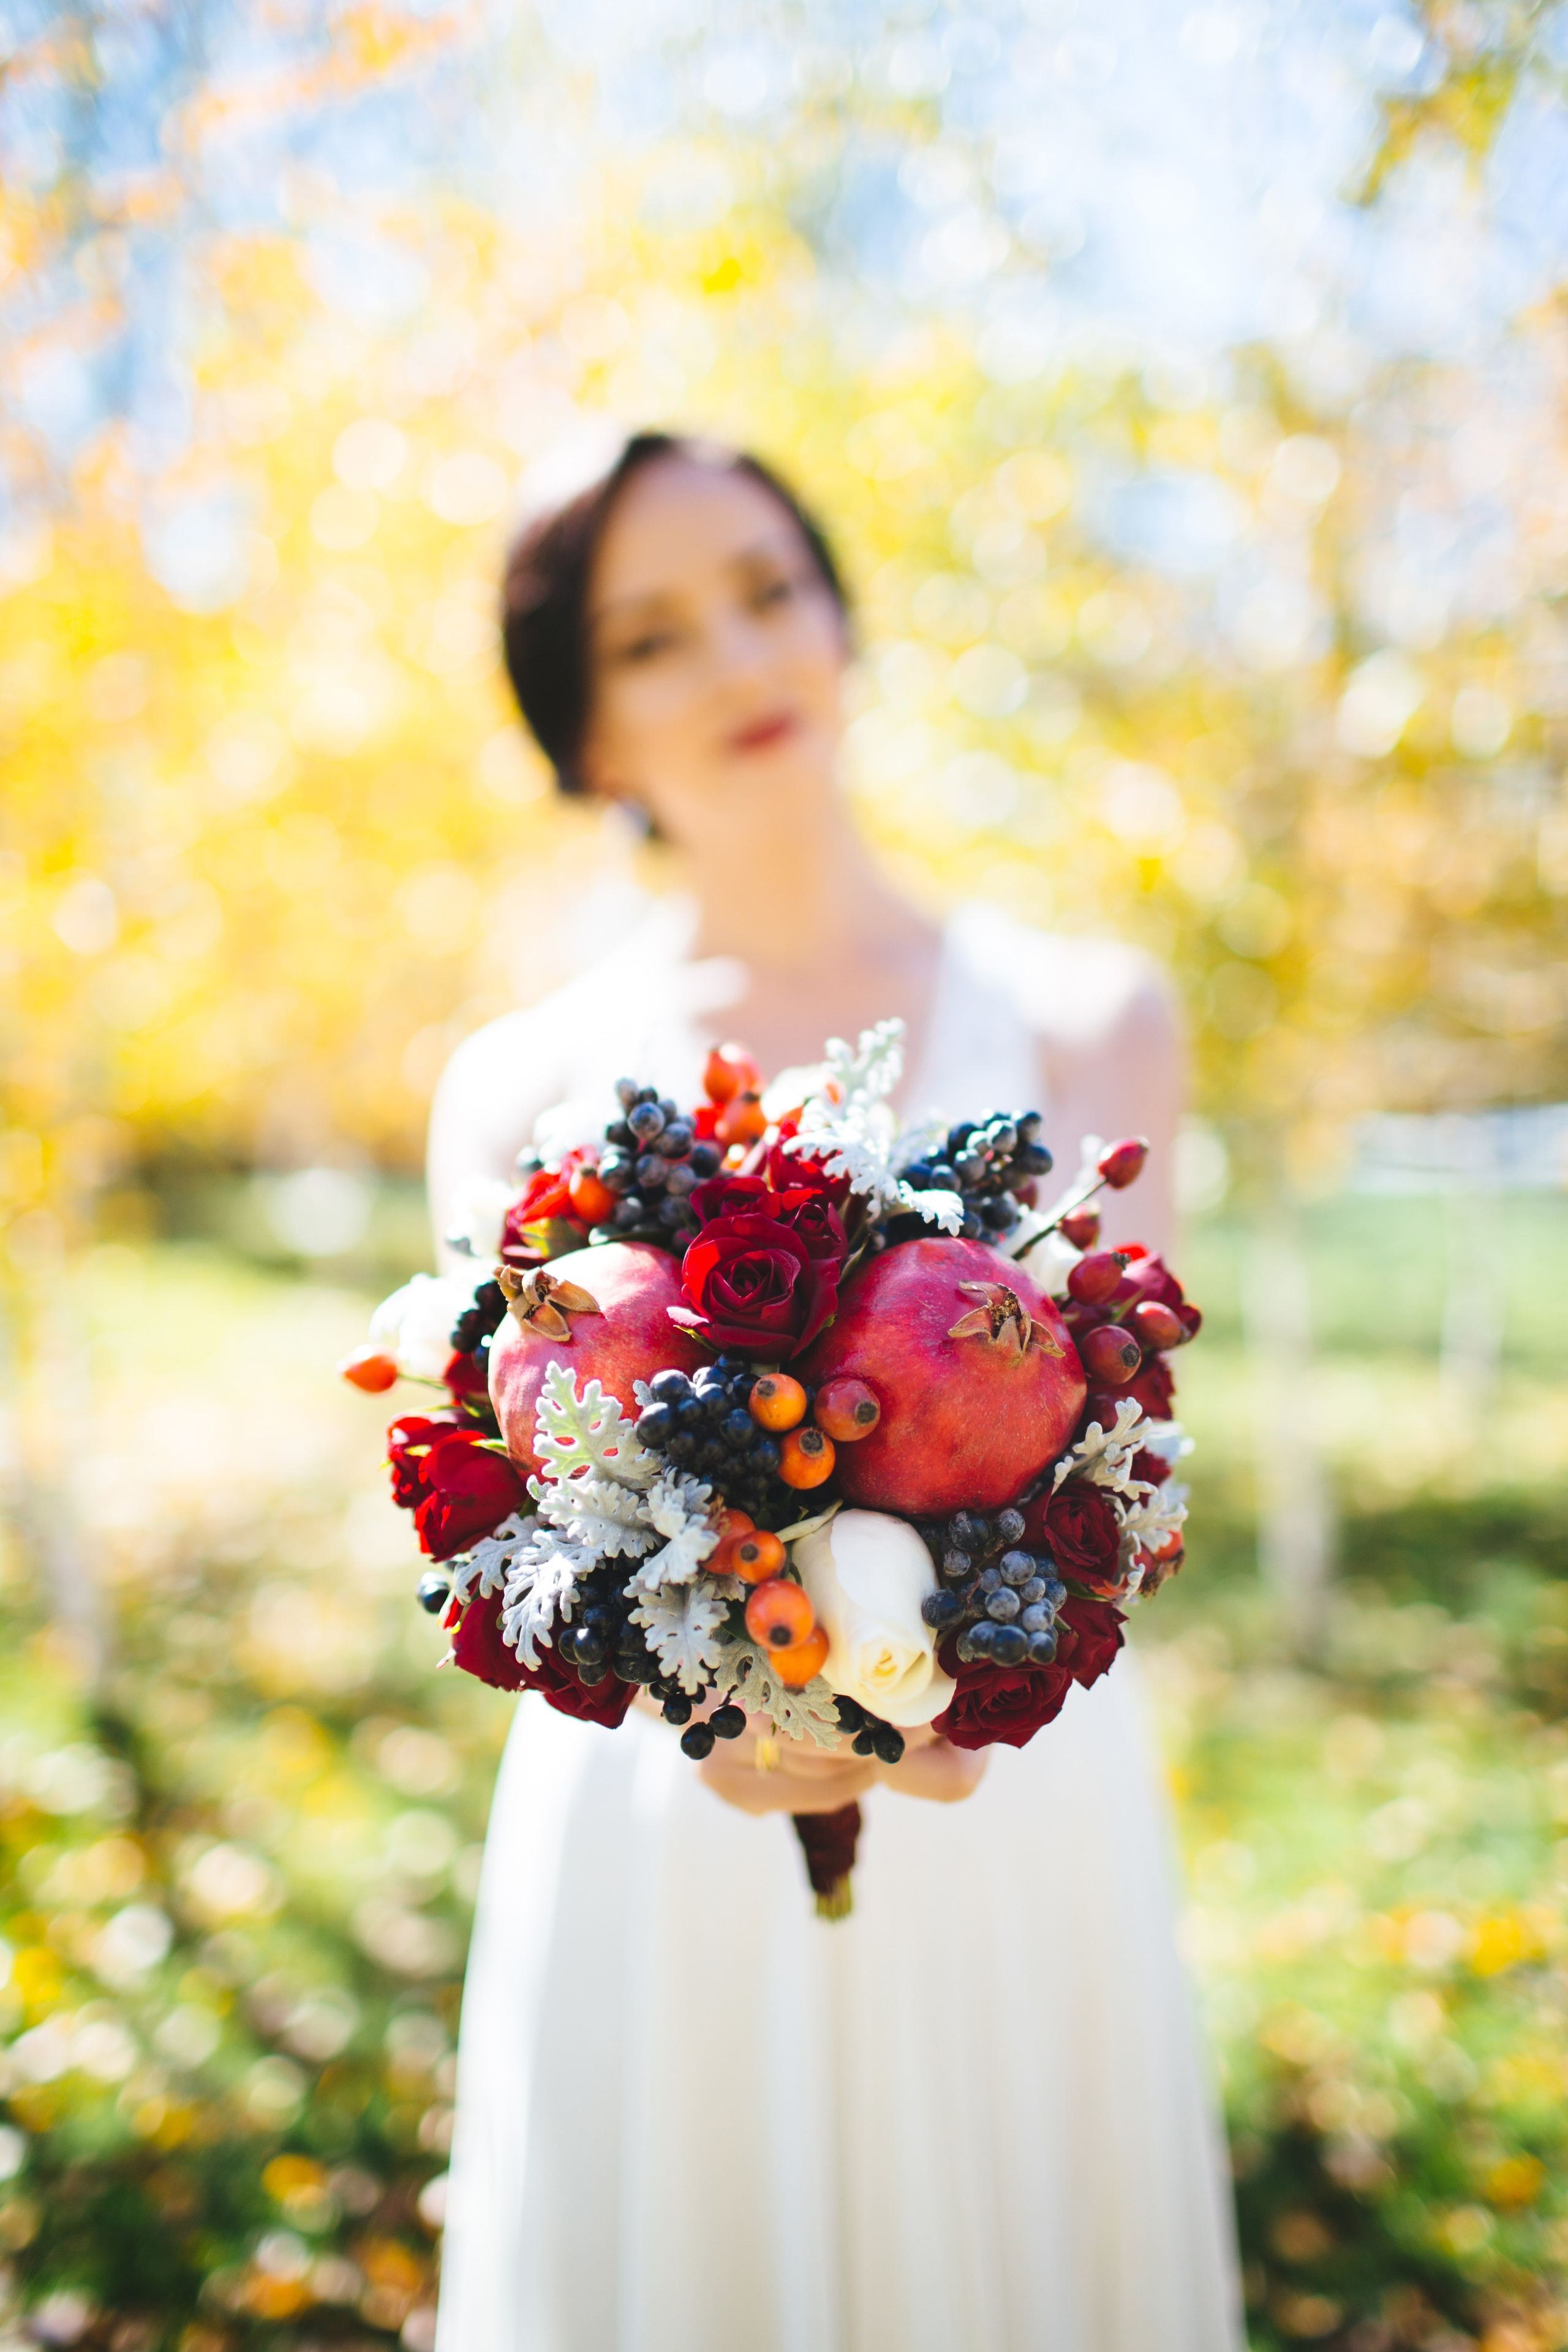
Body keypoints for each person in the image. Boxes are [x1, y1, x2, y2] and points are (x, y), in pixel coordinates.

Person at [430, 432, 1242, 2351]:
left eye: (768, 592)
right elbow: (519, 1515)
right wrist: (703, 1711)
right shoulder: (522, 1086)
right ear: (585, 736)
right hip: (656, 1827)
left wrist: (959, 1676)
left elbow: (1138, 1470)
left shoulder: (1086, 1020)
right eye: (650, 638)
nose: (736, 660)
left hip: (1011, 1815)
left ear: (843, 623)